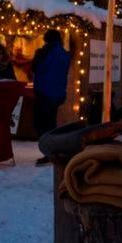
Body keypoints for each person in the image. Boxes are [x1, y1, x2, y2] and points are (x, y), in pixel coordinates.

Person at [33, 29, 73, 165]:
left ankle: (49, 153)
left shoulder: (44, 52)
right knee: (50, 123)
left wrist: (37, 56)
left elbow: (35, 68)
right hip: (58, 93)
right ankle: (52, 151)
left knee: (41, 124)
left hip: (44, 92)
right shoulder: (64, 54)